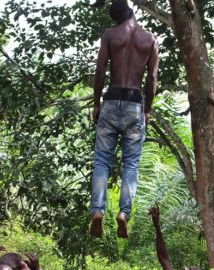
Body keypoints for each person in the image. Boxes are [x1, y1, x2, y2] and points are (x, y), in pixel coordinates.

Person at [89, 0, 159, 238]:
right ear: (131, 12)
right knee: (131, 163)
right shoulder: (150, 39)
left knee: (102, 161)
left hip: (111, 100)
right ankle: (124, 214)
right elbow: (151, 79)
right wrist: (147, 110)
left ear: (116, 19)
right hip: (134, 104)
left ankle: (97, 211)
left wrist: (97, 103)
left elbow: (100, 70)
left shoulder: (110, 35)